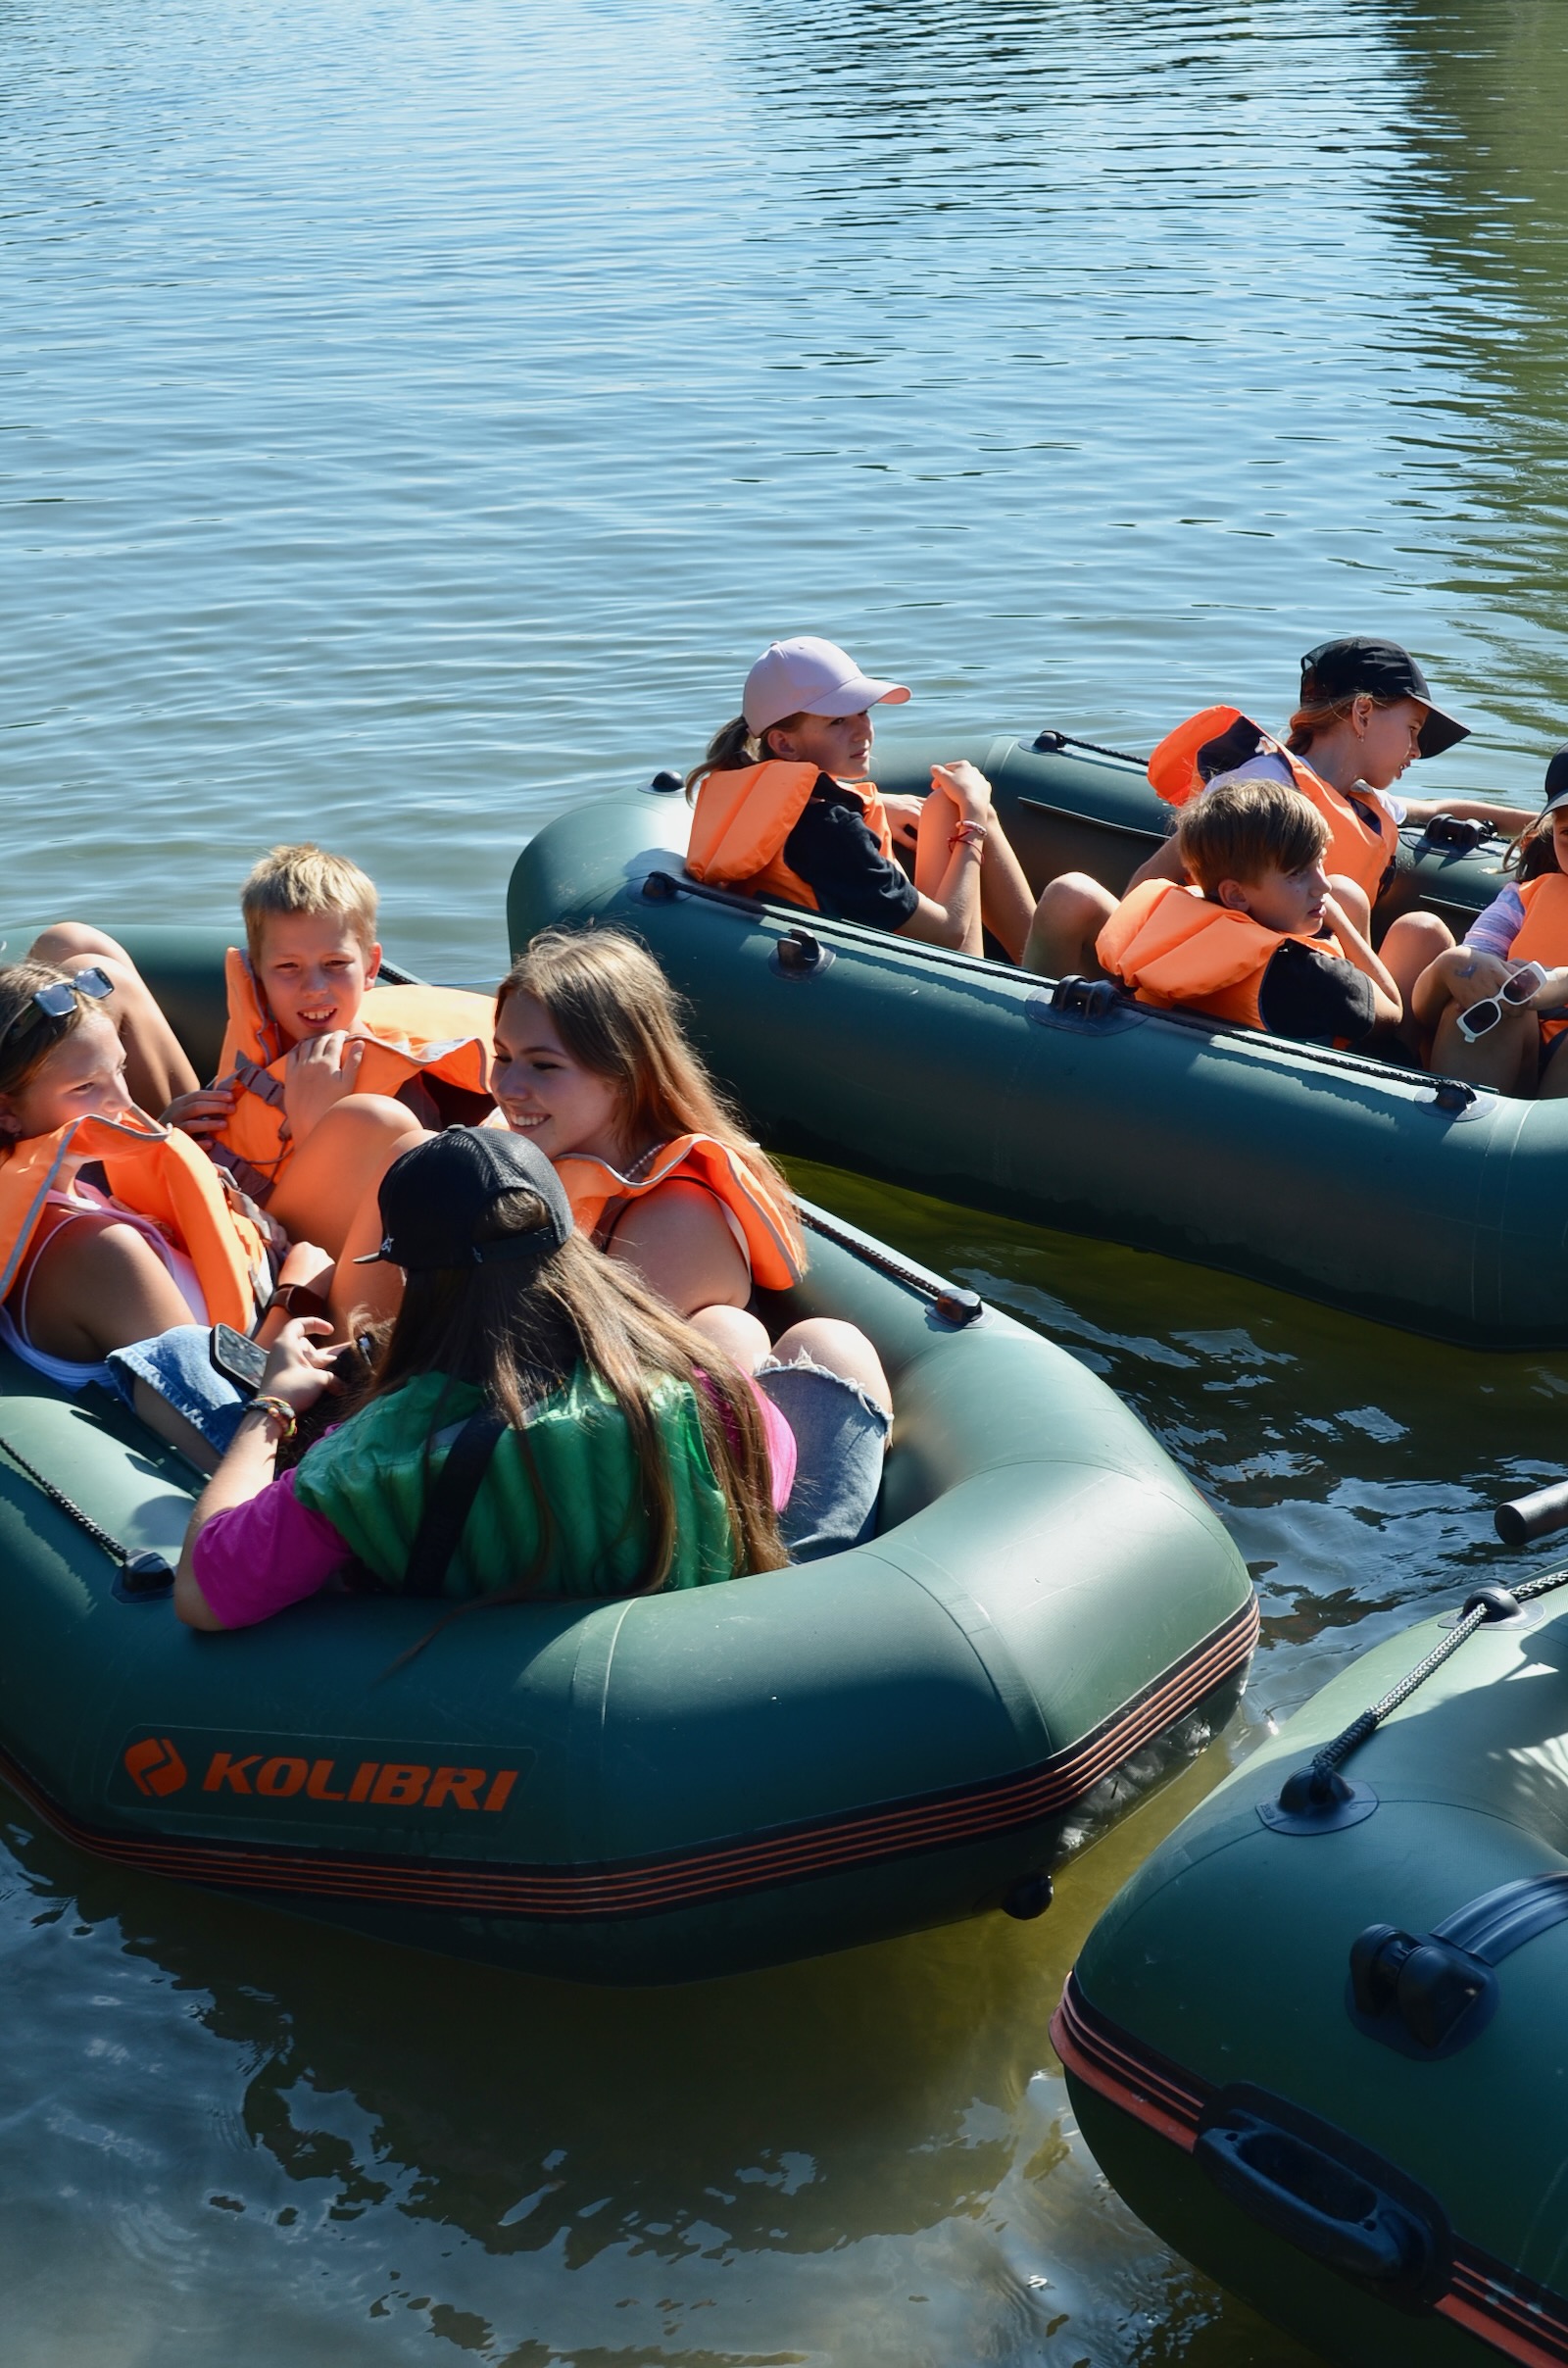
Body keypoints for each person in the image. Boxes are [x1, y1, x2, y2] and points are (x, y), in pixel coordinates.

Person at [174, 1129, 792, 1629]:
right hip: (698, 1678)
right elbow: (770, 1492)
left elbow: (204, 1595)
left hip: (492, 1722)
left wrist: (274, 1406)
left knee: (177, 1353)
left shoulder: (369, 1462)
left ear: (412, 1278)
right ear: (571, 1243)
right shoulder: (713, 1389)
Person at [491, 926, 893, 1559]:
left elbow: (605, 1411)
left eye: (543, 1065)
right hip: (583, 1486)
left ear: (624, 1075)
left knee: (807, 1343)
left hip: (648, 1504)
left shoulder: (674, 1217)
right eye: (503, 1056)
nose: (508, 1086)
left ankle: (807, 1580)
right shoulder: (528, 1166)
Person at [1027, 638, 1533, 1028]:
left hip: (1317, 978)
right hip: (1237, 967)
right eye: (1413, 730)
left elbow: (1439, 808)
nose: (1416, 751)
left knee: (1421, 930)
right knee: (1072, 895)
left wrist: (1543, 820)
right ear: (1362, 713)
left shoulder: (1366, 802)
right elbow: (1154, 880)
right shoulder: (1260, 788)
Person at [0, 959, 334, 1465]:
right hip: (280, 1437)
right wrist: (296, 1295)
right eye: (85, 1088)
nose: (122, 1101)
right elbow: (229, 1438)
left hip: (260, 1329)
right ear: (7, 1112)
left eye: (119, 1070)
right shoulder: (96, 1251)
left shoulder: (72, 1193)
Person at [167, 844, 493, 1264]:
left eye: (336, 963)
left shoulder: (393, 1087)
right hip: (220, 1222)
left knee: (376, 1119)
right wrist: (168, 1132)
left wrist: (315, 1133)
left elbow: (392, 1230)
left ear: (371, 968)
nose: (315, 988)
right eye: (288, 967)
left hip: (303, 1264)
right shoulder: (258, 1051)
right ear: (259, 974)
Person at [685, 636, 1047, 961]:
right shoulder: (834, 835)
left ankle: (1041, 968)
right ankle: (1047, 984)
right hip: (923, 986)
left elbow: (801, 808)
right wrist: (974, 819)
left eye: (863, 712)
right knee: (968, 809)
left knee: (944, 806)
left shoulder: (757, 801)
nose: (863, 731)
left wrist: (880, 804)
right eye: (837, 722)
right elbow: (949, 933)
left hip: (853, 958)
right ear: (784, 743)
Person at [1096, 780, 1401, 1044]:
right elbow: (1393, 1013)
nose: (1324, 885)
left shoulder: (1162, 930)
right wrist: (1338, 919)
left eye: (1319, 862)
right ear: (1236, 895)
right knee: (1417, 930)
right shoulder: (1315, 976)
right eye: (1296, 874)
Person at [1411, 745, 1568, 1096]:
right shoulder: (1522, 898)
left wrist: (1558, 983)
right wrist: (1449, 966)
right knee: (1480, 999)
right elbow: (1433, 1000)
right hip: (1518, 1051)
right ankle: (1455, 1120)